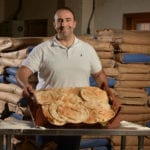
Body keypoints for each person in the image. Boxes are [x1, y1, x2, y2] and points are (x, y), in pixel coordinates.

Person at [16, 6, 120, 150]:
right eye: (59, 21)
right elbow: (23, 71)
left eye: (67, 20)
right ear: (54, 25)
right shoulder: (43, 49)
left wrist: (106, 88)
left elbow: (98, 74)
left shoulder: (87, 49)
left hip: (76, 114)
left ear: (74, 23)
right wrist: (25, 84)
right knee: (44, 148)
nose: (64, 24)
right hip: (47, 113)